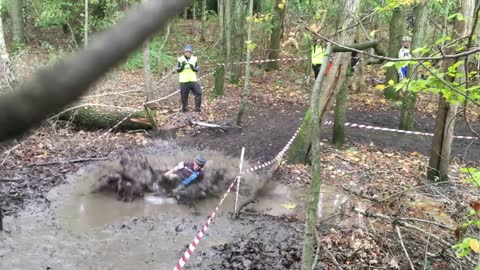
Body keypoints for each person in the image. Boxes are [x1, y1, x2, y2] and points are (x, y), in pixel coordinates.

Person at [177, 45, 202, 112]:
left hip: (193, 80)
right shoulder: (180, 59)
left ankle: (197, 109)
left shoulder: (194, 59)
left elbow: (197, 69)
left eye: (189, 52)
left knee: (198, 93)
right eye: (186, 52)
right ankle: (184, 109)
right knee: (184, 96)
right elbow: (178, 70)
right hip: (184, 80)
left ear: (191, 52)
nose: (187, 53)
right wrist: (182, 66)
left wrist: (193, 68)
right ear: (184, 52)